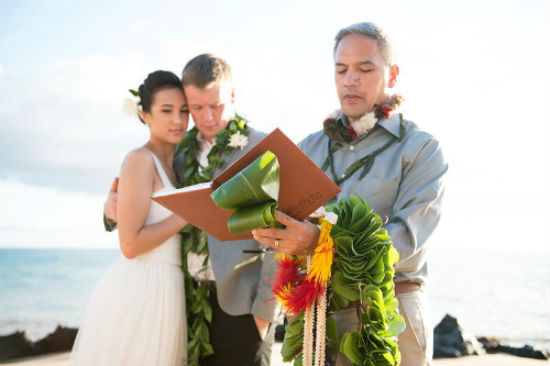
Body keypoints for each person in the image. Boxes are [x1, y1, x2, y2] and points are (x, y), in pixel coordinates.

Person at [253, 22, 447, 366]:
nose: (350, 79)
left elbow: (403, 241)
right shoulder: (306, 149)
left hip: (389, 318)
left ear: (393, 73)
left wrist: (319, 243)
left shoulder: (421, 149)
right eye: (341, 69)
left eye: (365, 68)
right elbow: (284, 230)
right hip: (314, 321)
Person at [104, 54, 279, 366]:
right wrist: (109, 212)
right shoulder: (180, 152)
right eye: (196, 108)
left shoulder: (261, 147)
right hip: (184, 305)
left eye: (217, 106)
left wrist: (264, 314)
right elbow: (143, 200)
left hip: (241, 306)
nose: (208, 117)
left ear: (233, 96)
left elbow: (281, 237)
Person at [72, 70, 190, 366]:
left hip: (169, 285)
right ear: (144, 114)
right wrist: (188, 214)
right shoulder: (139, 159)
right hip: (142, 287)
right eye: (166, 111)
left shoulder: (178, 163)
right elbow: (130, 244)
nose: (177, 120)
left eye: (184, 111)